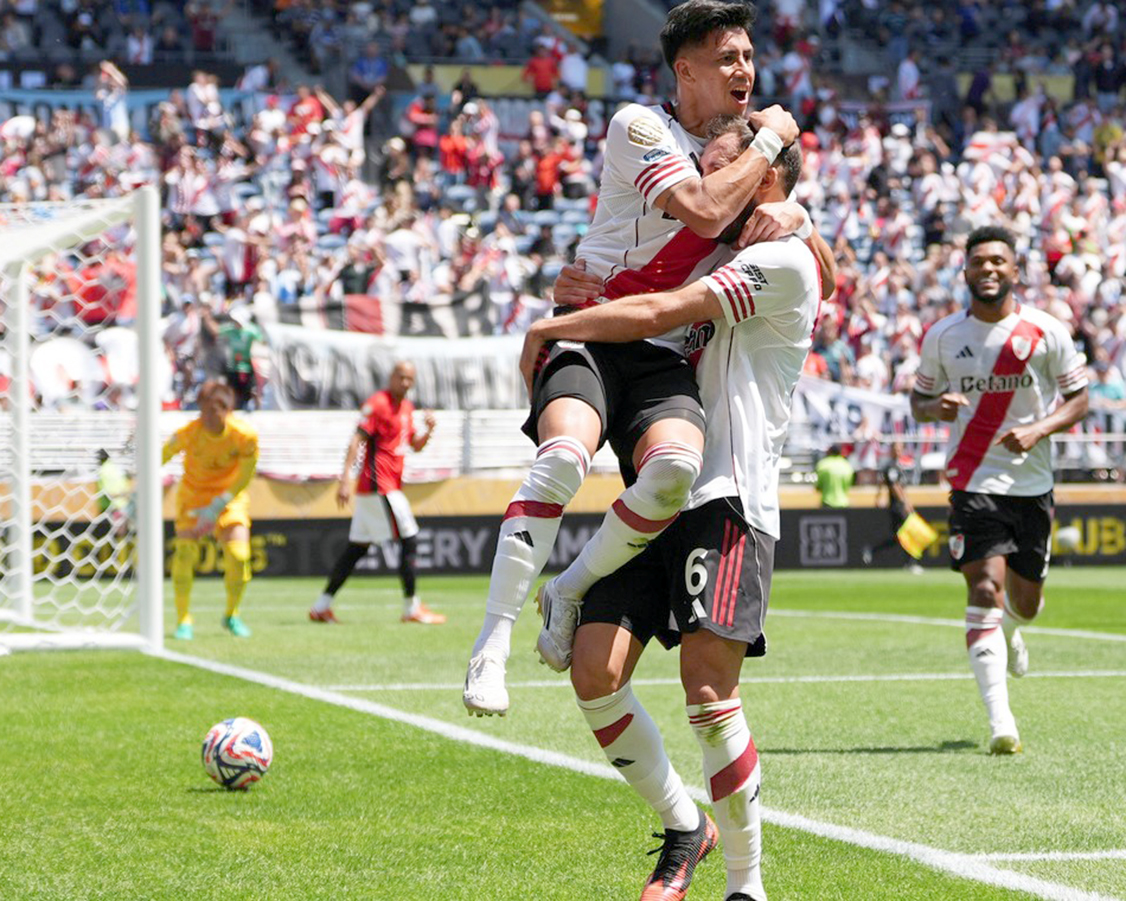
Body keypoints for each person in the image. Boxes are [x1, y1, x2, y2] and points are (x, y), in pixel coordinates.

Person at [464, 0, 834, 718]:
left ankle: (567, 589)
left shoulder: (745, 159)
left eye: (749, 57)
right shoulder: (641, 125)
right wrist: (773, 142)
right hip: (593, 331)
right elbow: (705, 209)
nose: (745, 70)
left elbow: (824, 273)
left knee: (673, 469)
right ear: (685, 70)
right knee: (563, 457)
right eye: (727, 58)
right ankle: (491, 642)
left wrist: (799, 211)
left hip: (661, 352)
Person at [516, 117, 819, 901]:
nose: (703, 177)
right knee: (594, 670)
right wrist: (576, 286)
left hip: (726, 495)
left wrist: (552, 326)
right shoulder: (723, 246)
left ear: (760, 177)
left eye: (718, 164)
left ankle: (747, 885)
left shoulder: (782, 259)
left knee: (709, 693)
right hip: (661, 489)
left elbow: (657, 314)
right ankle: (686, 826)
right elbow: (636, 277)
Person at [911, 226, 1088, 755]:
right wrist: (934, 407)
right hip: (972, 481)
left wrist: (1039, 429)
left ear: (1015, 270)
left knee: (1025, 603)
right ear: (965, 271)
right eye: (979, 262)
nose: (988, 269)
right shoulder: (942, 335)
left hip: (1032, 484)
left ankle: (1012, 630)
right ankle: (1001, 722)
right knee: (984, 589)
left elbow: (1079, 400)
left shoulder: (1047, 331)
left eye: (998, 261)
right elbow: (918, 402)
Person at [309, 361, 443, 625]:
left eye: (409, 379)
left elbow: (414, 445)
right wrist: (345, 479)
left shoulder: (406, 407)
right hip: (379, 485)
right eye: (401, 377)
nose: (405, 383)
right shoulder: (378, 404)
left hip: (383, 487)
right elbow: (356, 439)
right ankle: (411, 608)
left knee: (356, 549)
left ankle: (321, 607)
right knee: (409, 540)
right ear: (391, 377)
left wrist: (429, 430)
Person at [162, 380, 260, 640]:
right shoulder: (189, 433)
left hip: (229, 499)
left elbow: (245, 476)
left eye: (212, 411)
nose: (205, 417)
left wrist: (218, 505)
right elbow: (160, 455)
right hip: (193, 499)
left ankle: (232, 614)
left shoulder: (245, 436)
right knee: (184, 556)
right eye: (202, 410)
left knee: (239, 555)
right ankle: (183, 620)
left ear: (227, 410)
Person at [861, 441, 923, 570]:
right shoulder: (892, 467)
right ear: (891, 451)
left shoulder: (895, 467)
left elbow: (883, 482)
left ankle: (872, 550)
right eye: (896, 449)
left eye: (900, 449)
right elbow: (895, 487)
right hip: (897, 506)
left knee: (898, 537)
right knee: (908, 533)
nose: (898, 452)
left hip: (898, 505)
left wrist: (879, 496)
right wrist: (905, 503)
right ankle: (911, 563)